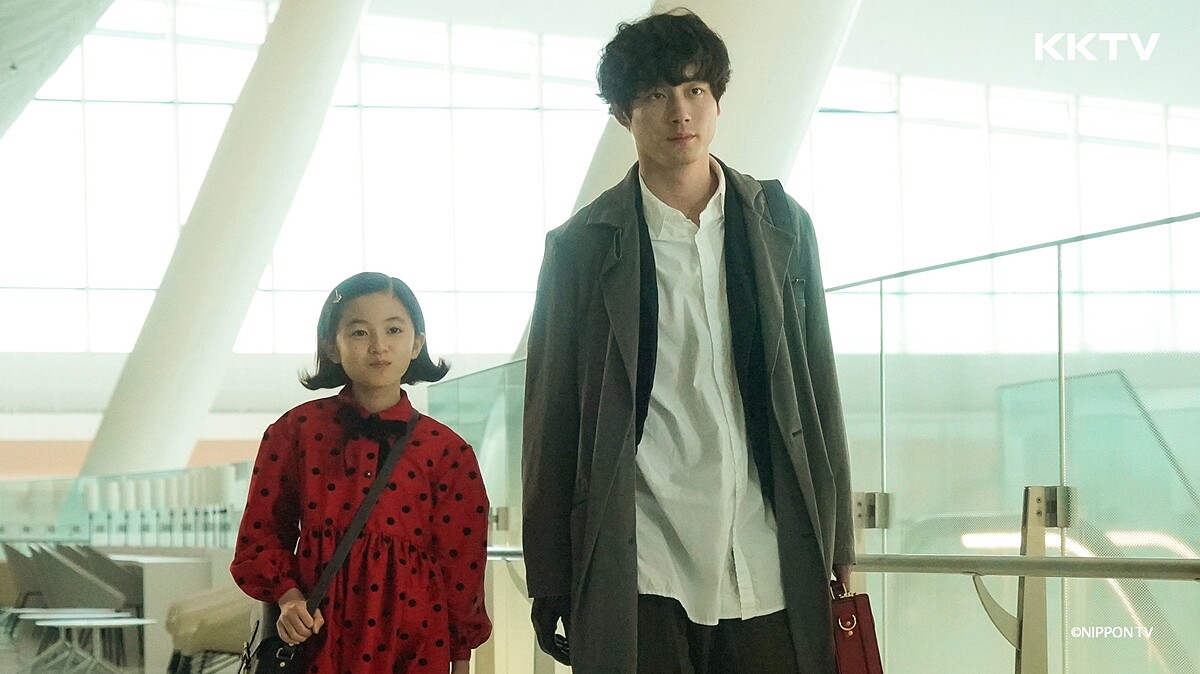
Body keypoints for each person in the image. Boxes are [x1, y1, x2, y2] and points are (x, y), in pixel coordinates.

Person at [522, 10, 854, 674]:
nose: (680, 111)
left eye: (694, 89)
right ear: (623, 114)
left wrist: (839, 537)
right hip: (643, 556)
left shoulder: (781, 224)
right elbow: (551, 417)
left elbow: (818, 384)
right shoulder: (581, 247)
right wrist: (550, 577)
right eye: (655, 94)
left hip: (765, 548)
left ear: (717, 101)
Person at [231, 271, 491, 674]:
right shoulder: (295, 433)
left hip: (415, 644)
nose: (378, 346)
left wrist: (461, 660)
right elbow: (259, 536)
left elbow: (462, 570)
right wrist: (288, 597)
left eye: (394, 329)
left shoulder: (448, 452)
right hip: (319, 637)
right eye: (358, 332)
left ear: (417, 343)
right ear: (330, 346)